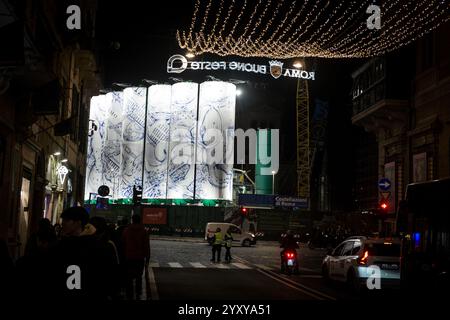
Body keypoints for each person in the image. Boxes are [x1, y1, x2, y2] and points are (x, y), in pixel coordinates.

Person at [50, 206, 111, 299]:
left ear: (78, 223)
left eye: (67, 220)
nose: (63, 223)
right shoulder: (94, 243)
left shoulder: (92, 246)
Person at [122, 214, 150, 300]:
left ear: (132, 220)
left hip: (129, 257)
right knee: (139, 276)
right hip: (139, 257)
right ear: (140, 220)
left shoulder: (126, 231)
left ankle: (129, 293)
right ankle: (138, 292)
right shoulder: (144, 231)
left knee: (129, 277)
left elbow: (123, 244)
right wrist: (147, 258)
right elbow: (146, 246)